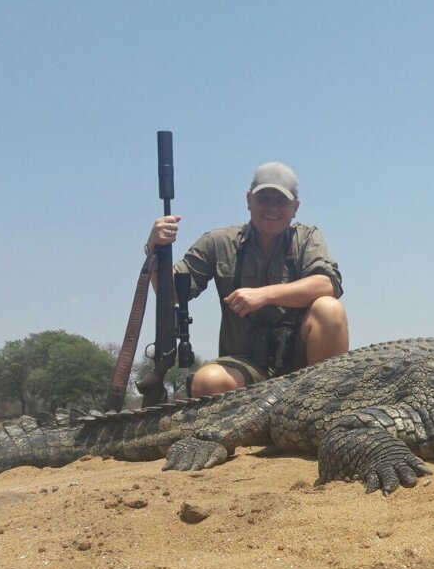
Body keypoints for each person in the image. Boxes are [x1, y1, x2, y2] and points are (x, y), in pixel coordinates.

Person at [146, 161, 349, 396]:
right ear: (249, 200)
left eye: (281, 201)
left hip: (302, 368)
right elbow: (169, 294)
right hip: (244, 364)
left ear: (295, 207)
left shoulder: (307, 238)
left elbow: (327, 284)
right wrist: (155, 250)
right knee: (207, 382)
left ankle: (324, 404)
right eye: (263, 199)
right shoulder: (218, 242)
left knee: (329, 309)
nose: (272, 208)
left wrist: (264, 295)